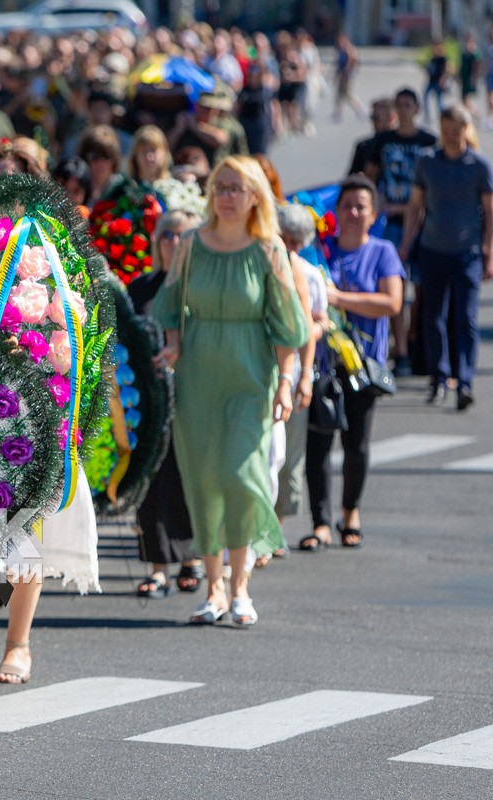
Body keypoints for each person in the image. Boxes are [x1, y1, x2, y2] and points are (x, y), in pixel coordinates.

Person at [151, 156, 308, 627]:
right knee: (203, 482)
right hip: (199, 375)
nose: (226, 195)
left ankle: (241, 586)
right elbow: (173, 305)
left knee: (241, 477)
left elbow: (287, 325)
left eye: (236, 188)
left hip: (250, 376)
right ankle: (214, 587)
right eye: (220, 186)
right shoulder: (192, 245)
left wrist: (285, 383)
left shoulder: (268, 250)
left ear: (255, 195)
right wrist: (174, 346)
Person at [304, 175, 404, 550]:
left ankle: (350, 512)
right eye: (346, 205)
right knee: (319, 441)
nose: (352, 212)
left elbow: (391, 303)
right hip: (322, 361)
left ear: (373, 213)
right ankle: (319, 523)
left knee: (356, 443)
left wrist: (339, 298)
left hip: (363, 365)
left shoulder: (382, 251)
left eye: (361, 206)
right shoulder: (321, 250)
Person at [127, 210, 205, 598]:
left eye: (183, 235)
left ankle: (191, 558)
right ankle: (157, 567)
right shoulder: (141, 287)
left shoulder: (203, 286)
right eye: (167, 235)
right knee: (151, 481)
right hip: (149, 397)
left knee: (188, 476)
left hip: (195, 393)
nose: (174, 242)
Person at [401, 105, 493, 411]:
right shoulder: (427, 161)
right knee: (433, 316)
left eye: (457, 130)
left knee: (465, 317)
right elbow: (415, 205)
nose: (452, 136)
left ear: (466, 130)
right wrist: (406, 242)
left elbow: (490, 211)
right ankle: (439, 378)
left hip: (467, 252)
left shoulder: (479, 165)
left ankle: (464, 380)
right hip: (432, 248)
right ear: (441, 130)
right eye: (447, 130)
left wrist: (489, 250)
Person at [365, 88, 436, 378]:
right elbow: (368, 177)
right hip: (390, 222)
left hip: (422, 222)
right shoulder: (383, 141)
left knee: (420, 289)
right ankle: (402, 351)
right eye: (400, 105)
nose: (404, 109)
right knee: (394, 286)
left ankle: (414, 340)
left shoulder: (428, 142)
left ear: (417, 108)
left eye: (409, 104)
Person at [274, 203, 328, 557]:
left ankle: (275, 526)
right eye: (284, 237)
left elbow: (317, 323)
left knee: (288, 456)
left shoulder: (309, 274)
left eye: (296, 240)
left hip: (293, 375)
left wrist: (305, 375)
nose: (289, 246)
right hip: (264, 371)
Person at [347, 98, 396, 177]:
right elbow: (350, 178)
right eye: (372, 117)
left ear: (391, 118)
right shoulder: (364, 146)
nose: (373, 122)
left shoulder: (401, 146)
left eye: (377, 118)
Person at [333, 32, 365, 123]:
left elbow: (352, 62)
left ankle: (359, 109)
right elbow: (338, 64)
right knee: (339, 94)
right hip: (341, 75)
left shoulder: (350, 50)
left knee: (348, 94)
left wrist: (346, 72)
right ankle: (338, 112)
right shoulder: (341, 50)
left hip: (347, 76)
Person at [423, 39, 451, 125]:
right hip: (431, 81)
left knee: (439, 102)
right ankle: (427, 117)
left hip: (438, 82)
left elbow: (448, 70)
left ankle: (442, 117)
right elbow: (430, 70)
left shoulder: (443, 59)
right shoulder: (433, 58)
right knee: (425, 97)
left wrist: (443, 79)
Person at [459, 33, 482, 115]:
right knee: (463, 99)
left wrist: (474, 77)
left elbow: (477, 65)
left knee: (467, 98)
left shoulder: (474, 53)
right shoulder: (465, 53)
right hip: (464, 77)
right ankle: (471, 113)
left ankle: (476, 113)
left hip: (469, 78)